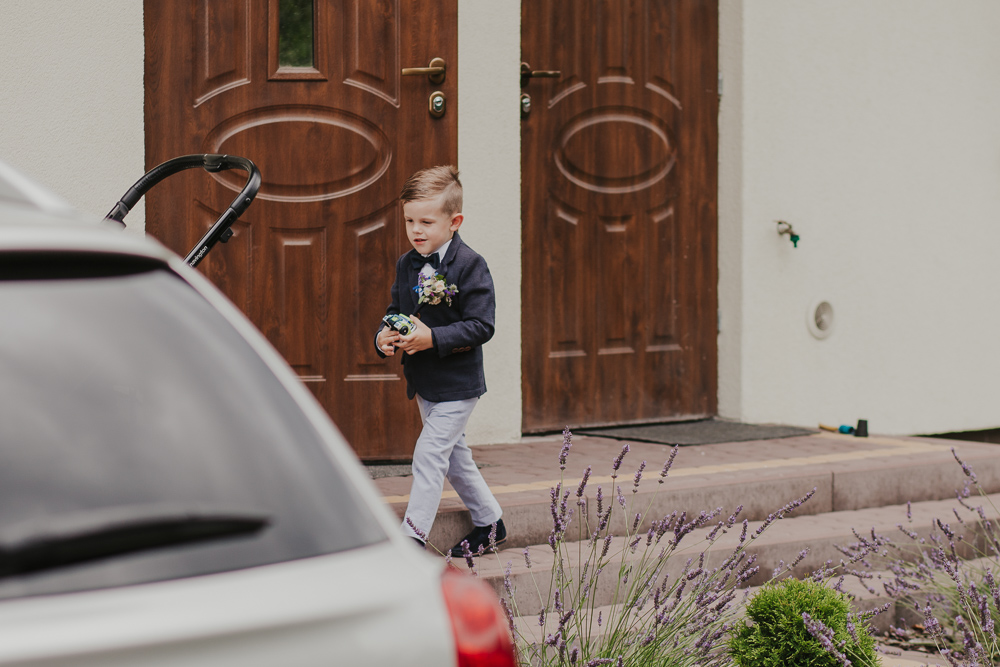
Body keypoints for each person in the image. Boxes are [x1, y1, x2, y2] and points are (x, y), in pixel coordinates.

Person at [375, 165, 506, 556]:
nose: (416, 230)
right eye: (409, 221)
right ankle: (491, 522)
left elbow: (482, 325)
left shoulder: (470, 264)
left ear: (455, 221)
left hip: (459, 383)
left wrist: (432, 337)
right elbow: (396, 308)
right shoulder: (407, 264)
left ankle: (411, 539)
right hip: (425, 381)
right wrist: (385, 334)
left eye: (426, 222)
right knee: (454, 458)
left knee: (430, 455)